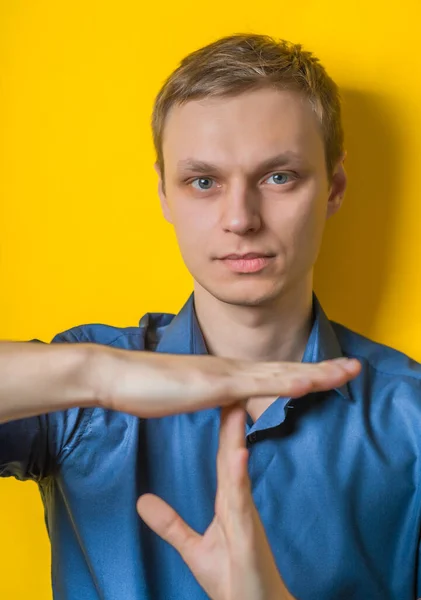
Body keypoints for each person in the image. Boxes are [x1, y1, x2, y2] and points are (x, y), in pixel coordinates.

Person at [1, 32, 420, 599]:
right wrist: (95, 376)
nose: (240, 218)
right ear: (165, 196)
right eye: (204, 182)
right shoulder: (75, 397)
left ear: (333, 187)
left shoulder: (412, 420)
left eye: (279, 177)